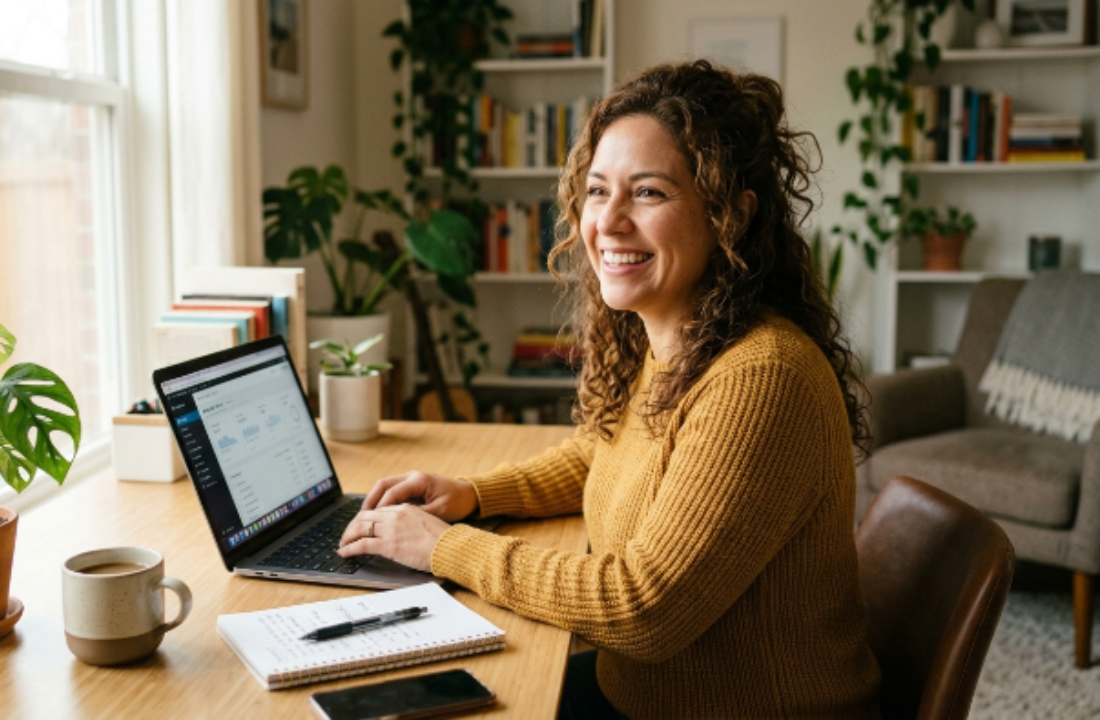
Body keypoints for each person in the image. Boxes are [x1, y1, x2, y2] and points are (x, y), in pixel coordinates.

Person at [338, 60, 882, 719]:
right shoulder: (673, 342)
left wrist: (443, 548)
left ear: (731, 215)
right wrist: (477, 494)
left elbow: (643, 610)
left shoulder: (762, 377)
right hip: (649, 696)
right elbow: (603, 453)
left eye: (648, 193)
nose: (610, 222)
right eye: (598, 191)